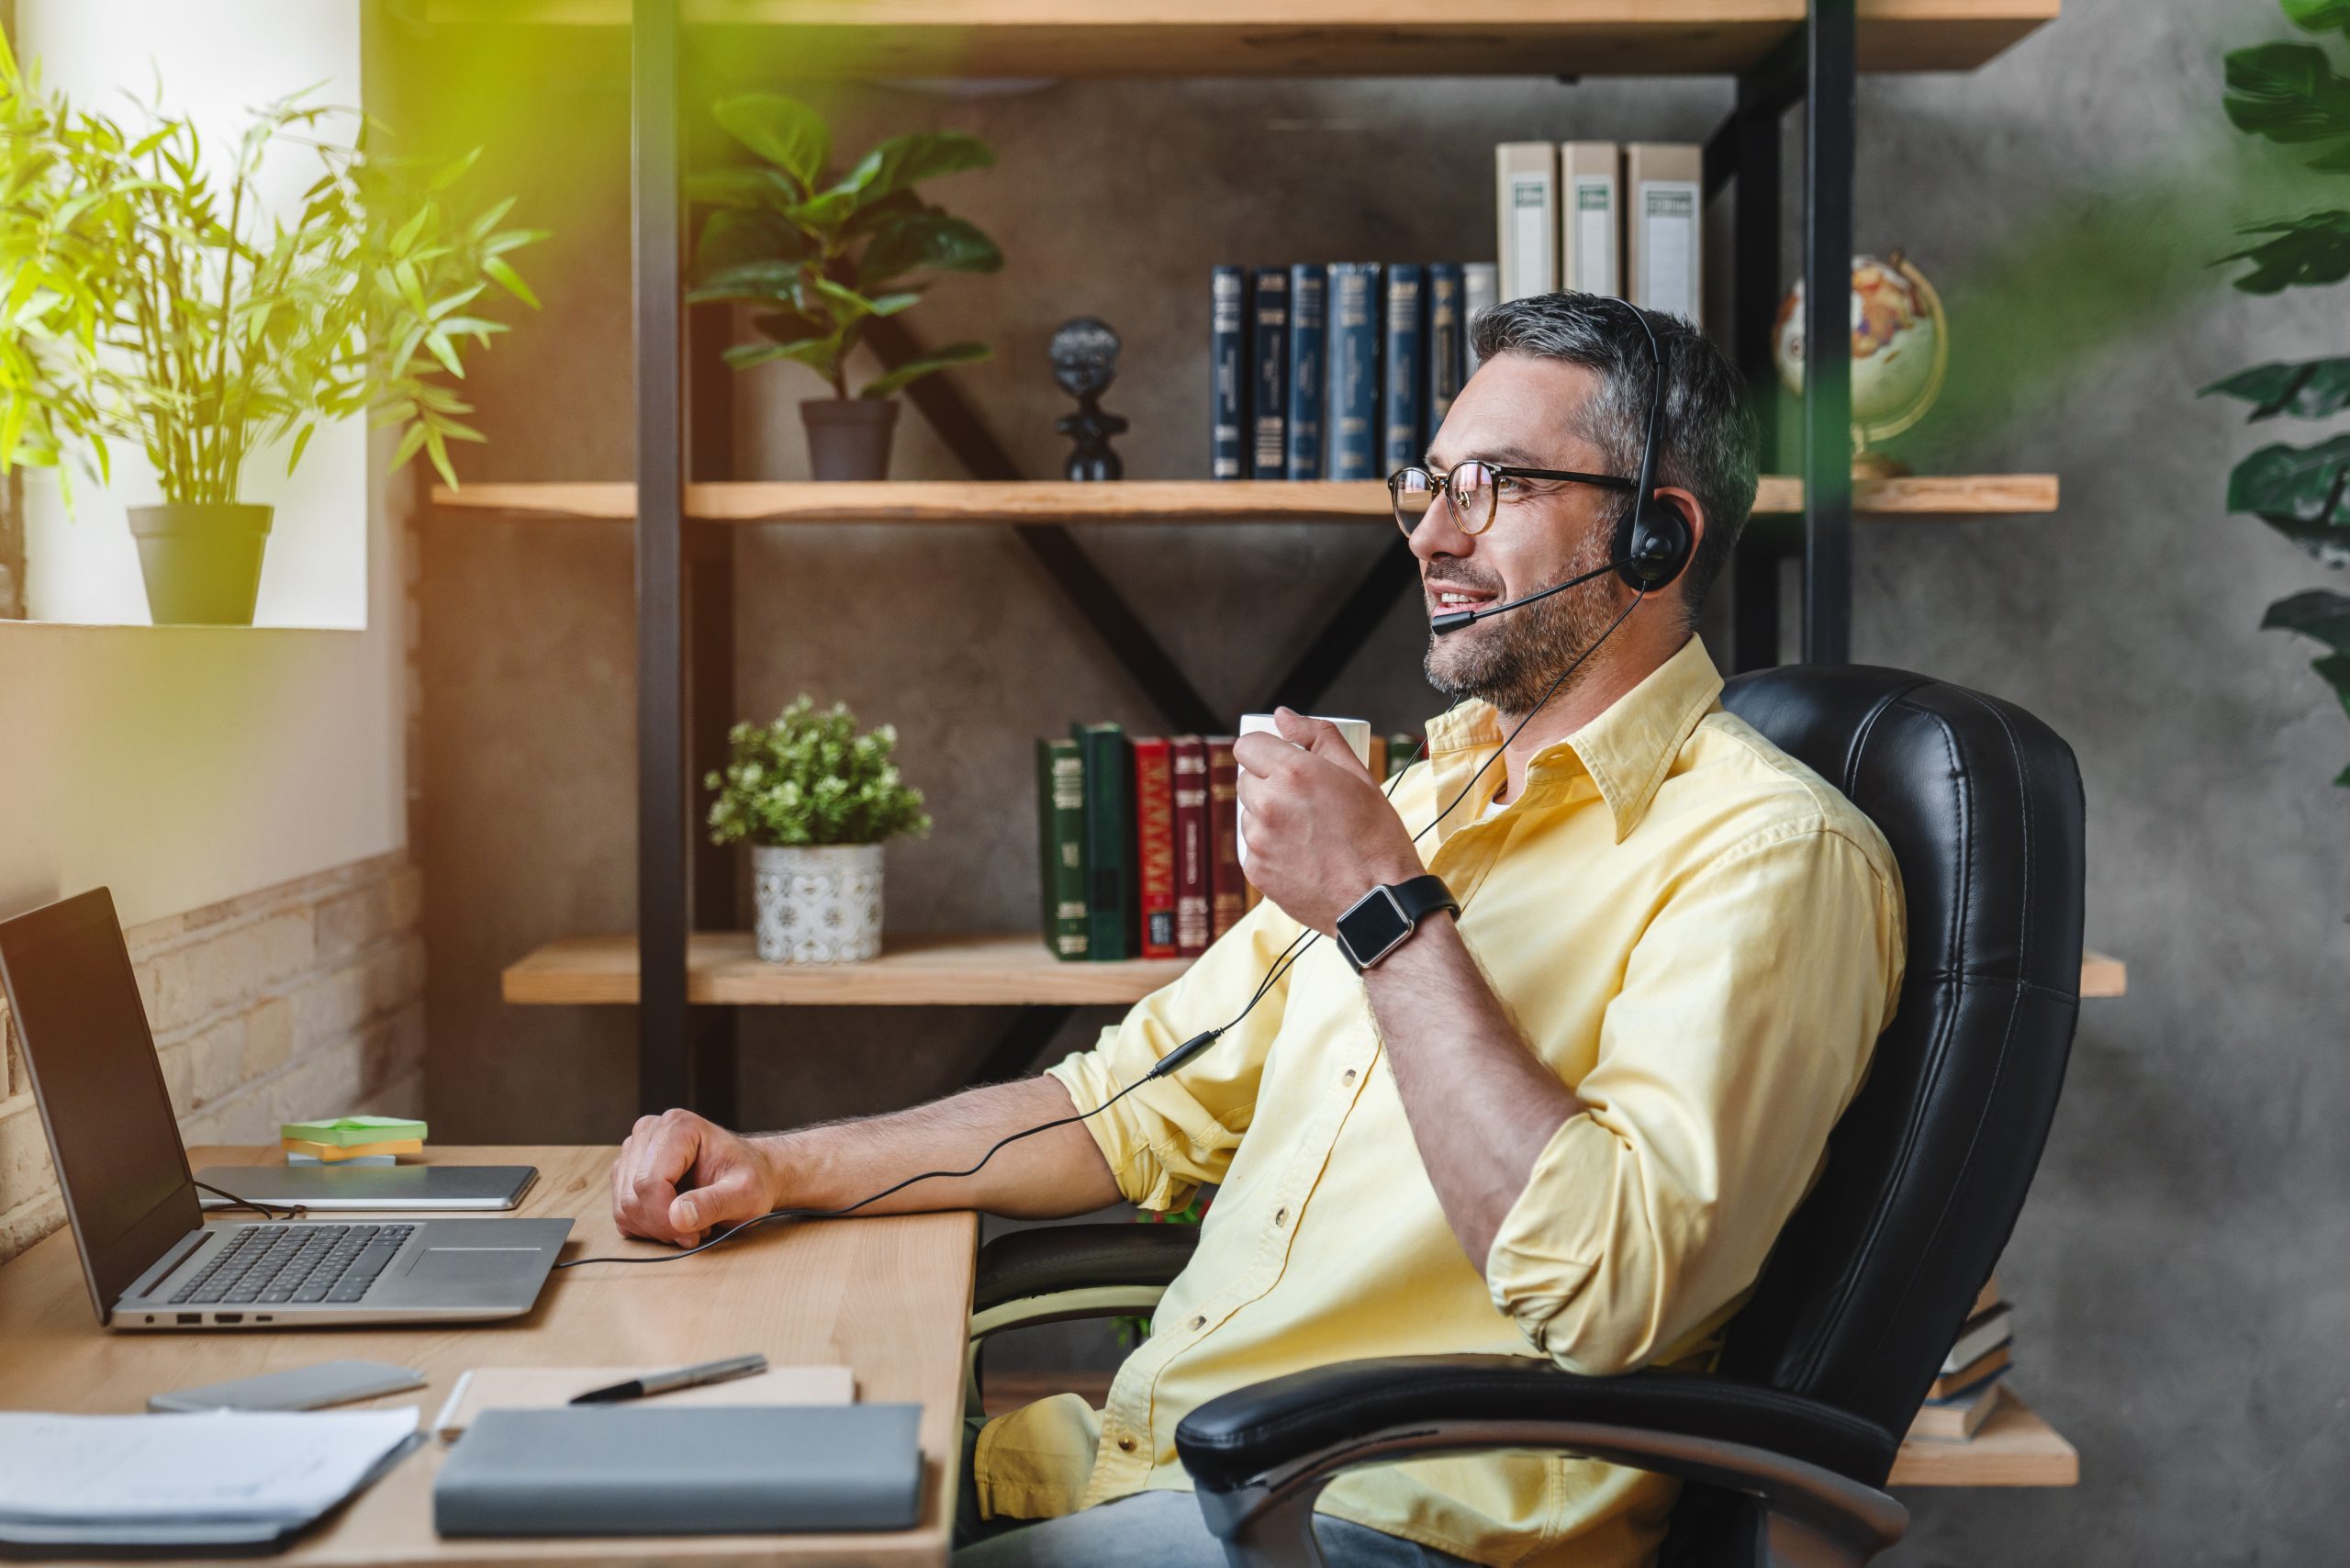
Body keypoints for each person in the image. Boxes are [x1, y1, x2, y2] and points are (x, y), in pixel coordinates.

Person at [608, 293, 1906, 1568]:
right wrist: (777, 1167)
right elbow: (1125, 1105)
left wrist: (1385, 911)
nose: (1430, 540)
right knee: (647, 1509)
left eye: (1493, 487)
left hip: (1369, 1529)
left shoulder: (1769, 856)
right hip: (1143, 1475)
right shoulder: (1426, 803)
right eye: (1429, 485)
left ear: (1655, 540)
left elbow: (1612, 1289)